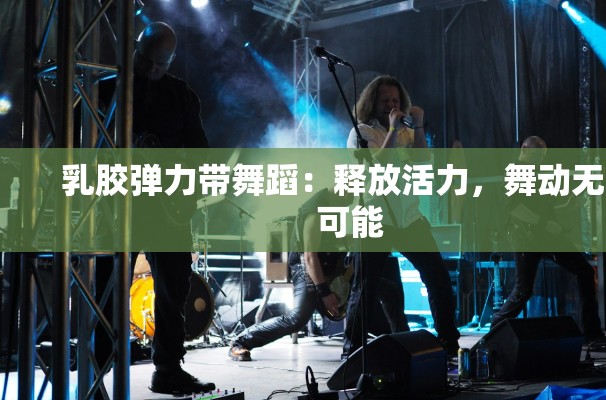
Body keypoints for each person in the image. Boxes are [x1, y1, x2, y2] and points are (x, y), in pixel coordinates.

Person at [95, 22, 214, 396]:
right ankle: (96, 371)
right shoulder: (109, 88)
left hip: (167, 207)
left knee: (173, 289)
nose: (152, 69)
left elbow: (200, 154)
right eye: (146, 60)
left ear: (172, 60)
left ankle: (168, 369)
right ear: (135, 49)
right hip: (120, 203)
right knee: (107, 290)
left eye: (161, 63)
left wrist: (185, 195)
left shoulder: (181, 96)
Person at [344, 75, 460, 358]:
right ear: (372, 103)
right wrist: (393, 130)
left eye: (395, 100)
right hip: (376, 216)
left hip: (408, 215)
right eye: (385, 100)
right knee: (365, 288)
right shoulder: (361, 133)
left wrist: (417, 125)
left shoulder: (408, 132)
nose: (391, 105)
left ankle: (448, 344)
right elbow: (377, 167)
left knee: (438, 278)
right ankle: (352, 353)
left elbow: (422, 163)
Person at [490, 136, 606, 342]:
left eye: (542, 157)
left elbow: (541, 209)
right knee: (523, 290)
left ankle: (592, 333)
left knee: (584, 271)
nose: (540, 161)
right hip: (527, 238)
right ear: (524, 149)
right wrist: (545, 223)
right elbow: (514, 207)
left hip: (544, 235)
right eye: (537, 156)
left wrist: (566, 207)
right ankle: (495, 329)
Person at [227, 188, 351, 361]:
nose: (352, 200)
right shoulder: (316, 210)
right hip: (306, 267)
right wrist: (324, 292)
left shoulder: (336, 206)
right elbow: (309, 256)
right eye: (350, 195)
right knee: (297, 319)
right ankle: (241, 341)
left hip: (325, 266)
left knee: (377, 288)